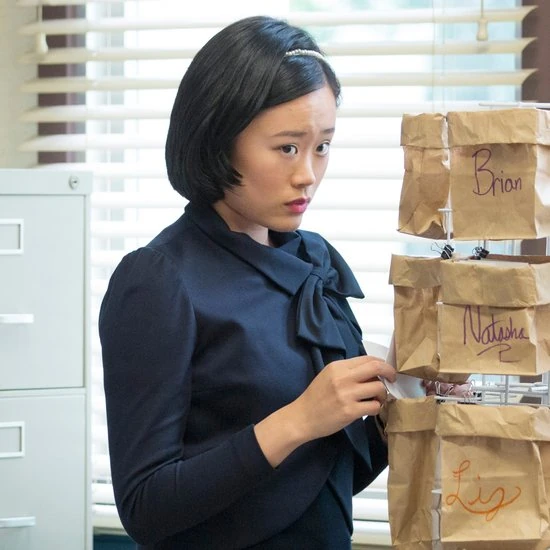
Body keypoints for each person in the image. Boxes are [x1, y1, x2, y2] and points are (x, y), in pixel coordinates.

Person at [99, 15, 396, 550]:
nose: (307, 174)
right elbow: (145, 508)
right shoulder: (158, 280)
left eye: (323, 146)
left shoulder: (312, 258)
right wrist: (300, 419)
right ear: (219, 140)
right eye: (287, 148)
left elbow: (326, 477)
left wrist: (406, 405)